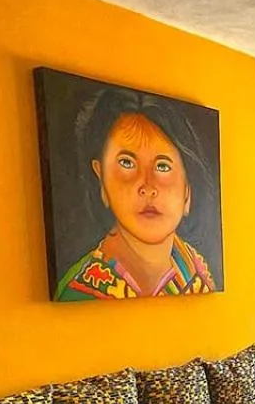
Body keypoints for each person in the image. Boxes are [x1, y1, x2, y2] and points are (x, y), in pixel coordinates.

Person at [54, 87, 219, 300]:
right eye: (127, 163)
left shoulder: (198, 273)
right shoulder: (78, 291)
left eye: (162, 166)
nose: (147, 186)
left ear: (187, 187)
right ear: (100, 176)